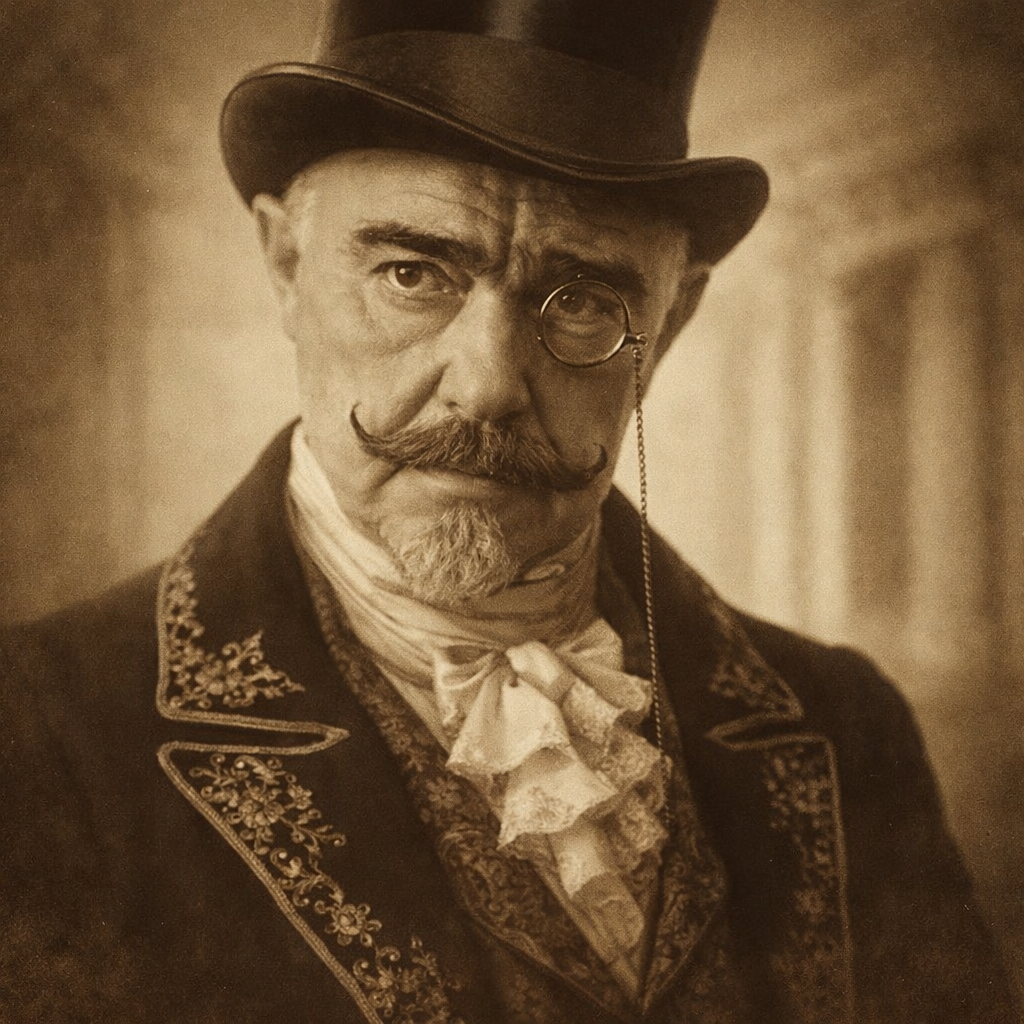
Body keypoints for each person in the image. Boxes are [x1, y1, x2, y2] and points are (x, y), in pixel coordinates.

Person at [0, 0, 1017, 1021]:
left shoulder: (846, 729)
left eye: (583, 302)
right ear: (286, 264)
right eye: (411, 274)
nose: (488, 386)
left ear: (667, 326)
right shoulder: (40, 737)